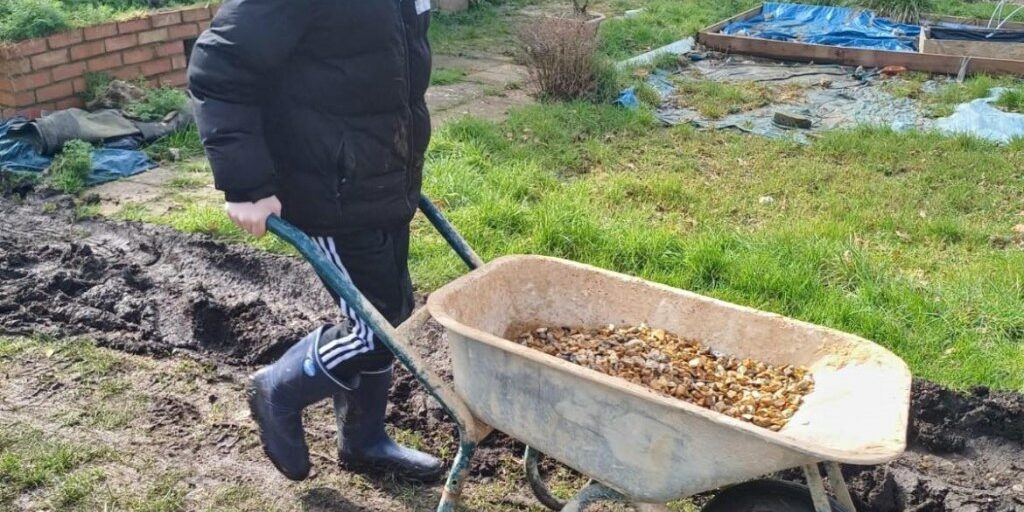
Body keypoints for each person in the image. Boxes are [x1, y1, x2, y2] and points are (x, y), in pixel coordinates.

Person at [186, 0, 441, 482]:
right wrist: (246, 184)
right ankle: (278, 389)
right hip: (329, 187)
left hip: (382, 179)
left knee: (391, 311)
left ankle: (364, 441)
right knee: (376, 329)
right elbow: (219, 64)